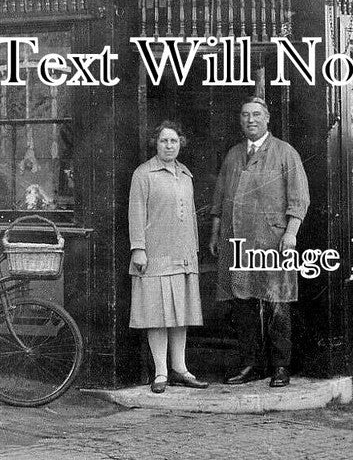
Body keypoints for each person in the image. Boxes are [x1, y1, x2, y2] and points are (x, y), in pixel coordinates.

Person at [208, 96, 309, 387]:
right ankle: (250, 364)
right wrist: (215, 235)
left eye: (256, 115)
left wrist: (291, 233)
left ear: (267, 119)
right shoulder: (233, 155)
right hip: (237, 242)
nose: (250, 120)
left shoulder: (285, 152)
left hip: (273, 241)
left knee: (277, 301)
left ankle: (280, 366)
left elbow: (299, 198)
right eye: (244, 115)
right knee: (242, 303)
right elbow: (219, 200)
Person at [128, 121, 208, 393]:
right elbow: (136, 212)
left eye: (174, 141)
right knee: (157, 314)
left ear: (180, 143)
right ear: (156, 143)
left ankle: (180, 369)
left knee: (180, 314)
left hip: (183, 254)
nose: (169, 146)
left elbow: (192, 216)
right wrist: (138, 247)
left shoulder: (185, 174)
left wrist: (194, 249)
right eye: (164, 141)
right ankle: (161, 372)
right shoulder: (144, 174)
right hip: (155, 253)